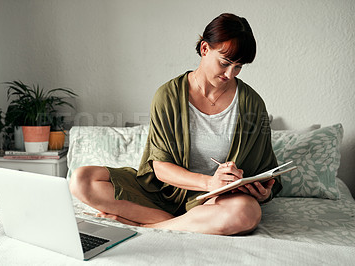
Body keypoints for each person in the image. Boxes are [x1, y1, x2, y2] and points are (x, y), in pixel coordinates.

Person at [69, 13, 282, 235]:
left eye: (238, 67)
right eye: (225, 63)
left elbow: (266, 169)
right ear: (204, 49)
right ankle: (184, 222)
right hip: (162, 193)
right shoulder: (167, 96)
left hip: (215, 201)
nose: (230, 74)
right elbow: (160, 168)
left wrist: (263, 193)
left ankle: (148, 226)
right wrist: (210, 182)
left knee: (247, 212)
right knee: (82, 180)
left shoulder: (251, 103)